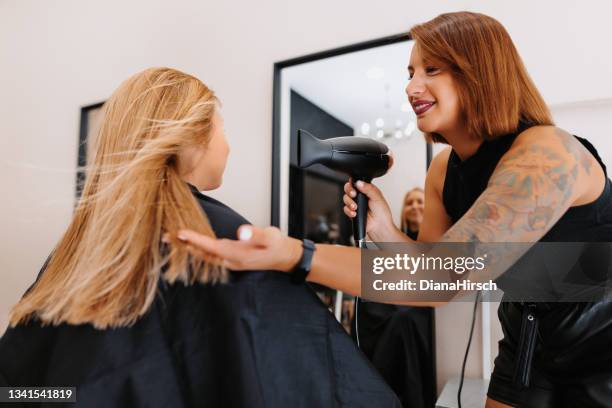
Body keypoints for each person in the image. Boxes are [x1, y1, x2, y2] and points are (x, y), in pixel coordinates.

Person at [175, 12, 612, 408]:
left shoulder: (548, 155)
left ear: (481, 73)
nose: (410, 87)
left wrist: (296, 254)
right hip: (526, 338)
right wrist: (385, 232)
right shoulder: (442, 171)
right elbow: (424, 267)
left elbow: (442, 278)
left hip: (601, 344)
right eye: (410, 73)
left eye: (432, 70)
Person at [0, 67, 401, 407]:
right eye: (221, 127)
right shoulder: (222, 236)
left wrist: (314, 250)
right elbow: (318, 379)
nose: (227, 145)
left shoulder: (75, 249)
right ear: (194, 137)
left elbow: (22, 388)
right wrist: (299, 254)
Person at [358, 186, 436, 408]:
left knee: (402, 320)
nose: (414, 206)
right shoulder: (389, 244)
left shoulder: (436, 241)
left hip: (420, 308)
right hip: (395, 302)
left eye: (420, 201)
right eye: (410, 202)